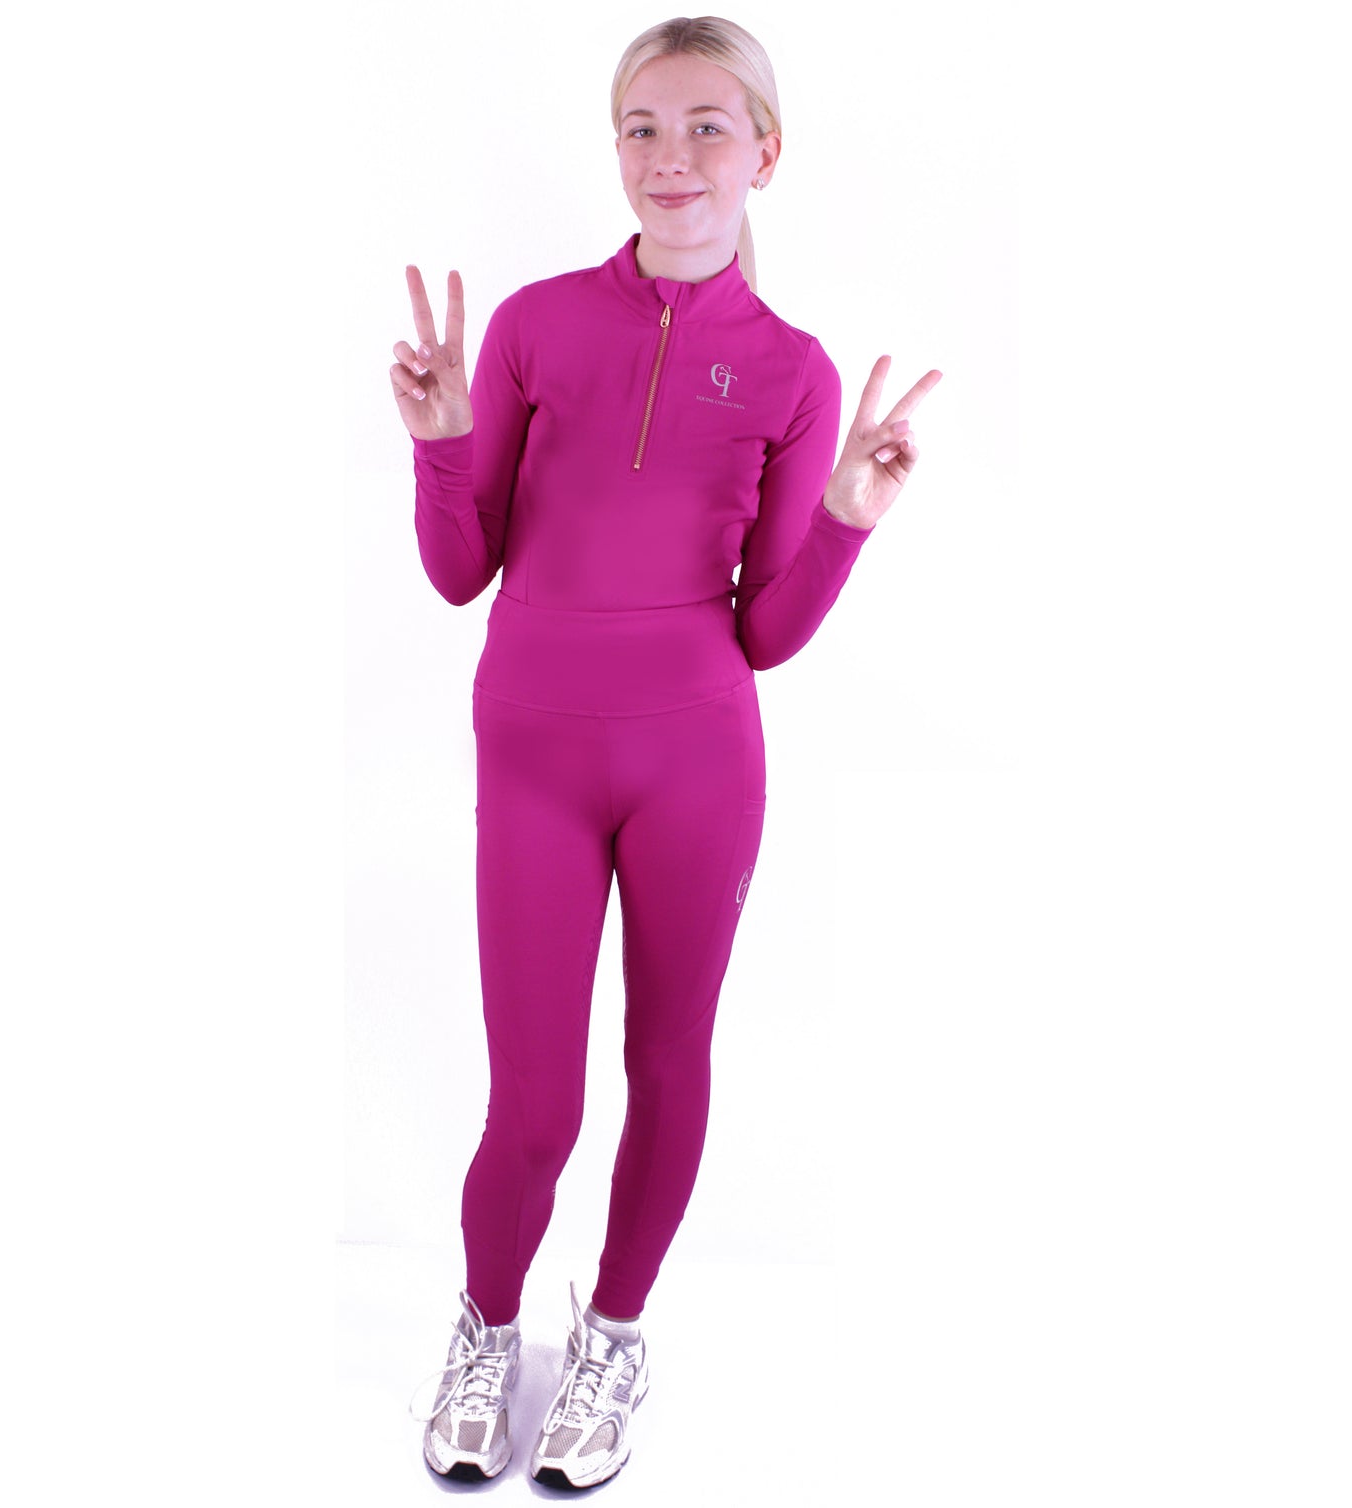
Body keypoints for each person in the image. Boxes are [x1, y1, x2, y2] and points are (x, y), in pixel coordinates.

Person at [390, 14, 941, 1490]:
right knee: (535, 1103)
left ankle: (614, 1336)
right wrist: (442, 442)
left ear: (767, 152)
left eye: (707, 126)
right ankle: (487, 1327)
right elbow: (459, 573)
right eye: (644, 126)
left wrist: (846, 520)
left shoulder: (793, 371)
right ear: (615, 148)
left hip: (697, 760)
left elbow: (766, 633)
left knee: (667, 1061)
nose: (672, 156)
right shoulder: (533, 325)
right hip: (533, 753)